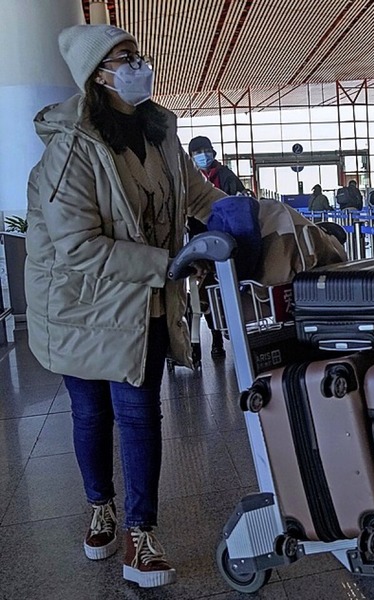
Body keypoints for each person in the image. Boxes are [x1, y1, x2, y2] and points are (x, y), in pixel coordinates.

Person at [25, 24, 226, 588]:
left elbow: (196, 193)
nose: (137, 65)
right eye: (122, 59)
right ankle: (100, 508)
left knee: (139, 414)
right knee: (91, 412)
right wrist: (168, 265)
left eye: (137, 54)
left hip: (142, 300)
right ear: (98, 75)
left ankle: (142, 535)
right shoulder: (72, 149)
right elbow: (78, 246)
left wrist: (235, 217)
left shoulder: (161, 131)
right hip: (78, 307)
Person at [188, 135, 246, 358]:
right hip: (196, 246)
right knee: (197, 295)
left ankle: (217, 338)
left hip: (222, 244)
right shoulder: (190, 178)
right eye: (197, 152)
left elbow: (239, 201)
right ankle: (196, 343)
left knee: (217, 293)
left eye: (206, 150)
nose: (203, 155)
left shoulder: (224, 175)